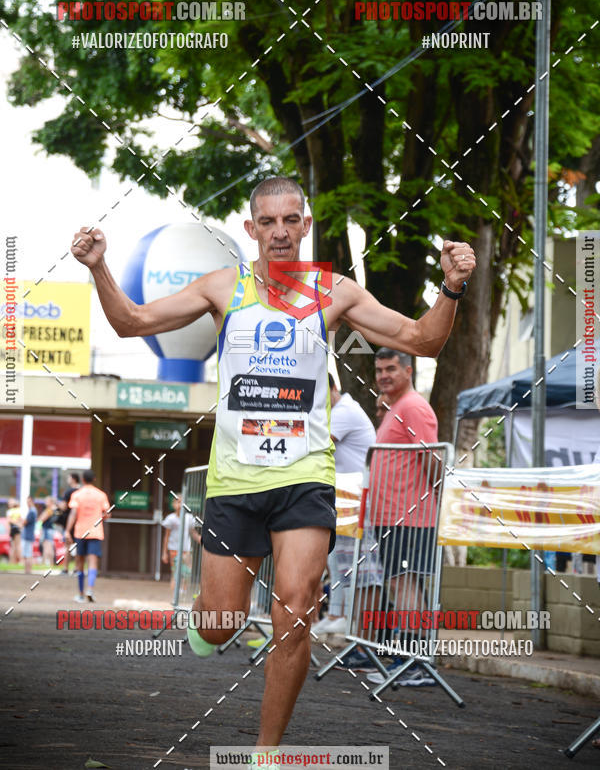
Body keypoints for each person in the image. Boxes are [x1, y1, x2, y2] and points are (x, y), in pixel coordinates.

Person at [71, 176, 475, 754]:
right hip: (234, 480)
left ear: (305, 225)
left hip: (304, 477)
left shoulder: (334, 292)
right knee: (221, 624)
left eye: (291, 220)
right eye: (268, 221)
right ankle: (208, 616)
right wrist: (99, 268)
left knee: (296, 611)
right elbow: (132, 321)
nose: (280, 231)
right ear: (251, 228)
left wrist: (452, 287)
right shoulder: (223, 287)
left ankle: (266, 755)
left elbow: (421, 340)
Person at [367, 348, 440, 687]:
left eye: (391, 369)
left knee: (404, 582)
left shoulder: (413, 407)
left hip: (409, 516)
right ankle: (410, 660)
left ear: (409, 371)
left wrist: (437, 500)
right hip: (392, 516)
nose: (383, 375)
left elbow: (432, 458)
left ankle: (415, 663)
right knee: (402, 583)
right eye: (379, 369)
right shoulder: (395, 408)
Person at [312, 375, 380, 638]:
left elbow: (317, 444)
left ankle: (351, 622)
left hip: (356, 500)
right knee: (337, 559)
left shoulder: (344, 412)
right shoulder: (338, 410)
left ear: (333, 388)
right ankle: (336, 615)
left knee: (355, 565)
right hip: (345, 498)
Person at [65, 469, 111, 603]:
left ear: (83, 480)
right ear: (94, 479)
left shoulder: (77, 494)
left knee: (80, 562)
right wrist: (99, 518)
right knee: (93, 562)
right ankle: (90, 589)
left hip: (80, 532)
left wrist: (67, 530)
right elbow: (107, 514)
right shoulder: (101, 495)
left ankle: (80, 594)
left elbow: (73, 513)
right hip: (96, 532)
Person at [161, 493, 193, 592]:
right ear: (173, 504)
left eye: (182, 502)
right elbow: (166, 536)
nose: (179, 505)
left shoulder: (189, 518)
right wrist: (164, 553)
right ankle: (174, 597)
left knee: (187, 574)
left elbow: (192, 533)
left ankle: (183, 594)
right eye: (177, 502)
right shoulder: (170, 518)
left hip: (186, 550)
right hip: (174, 550)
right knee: (175, 574)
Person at [56, 473, 81, 574]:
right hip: (80, 522)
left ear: (73, 479)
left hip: (69, 522)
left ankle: (65, 568)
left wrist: (57, 504)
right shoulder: (81, 491)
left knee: (68, 546)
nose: (68, 479)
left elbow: (64, 506)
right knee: (78, 545)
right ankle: (77, 568)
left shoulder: (69, 492)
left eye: (69, 478)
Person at [38, 496, 58, 566]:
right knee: (48, 546)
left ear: (51, 502)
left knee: (47, 546)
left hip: (47, 529)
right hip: (49, 529)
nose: (45, 503)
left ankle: (46, 562)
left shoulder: (50, 509)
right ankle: (48, 563)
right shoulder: (53, 509)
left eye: (47, 501)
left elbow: (41, 518)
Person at [21, 495, 37, 574]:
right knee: (27, 553)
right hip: (29, 534)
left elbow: (25, 522)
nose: (27, 503)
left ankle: (28, 571)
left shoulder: (32, 511)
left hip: (28, 535)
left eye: (29, 502)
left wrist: (20, 521)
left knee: (27, 554)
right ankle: (27, 570)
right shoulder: (33, 511)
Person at [7, 497, 22, 564]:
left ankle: (12, 561)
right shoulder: (18, 511)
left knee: (13, 546)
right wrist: (18, 524)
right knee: (17, 545)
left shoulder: (10, 511)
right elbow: (20, 520)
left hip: (13, 528)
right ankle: (20, 560)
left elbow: (9, 521)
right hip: (16, 529)